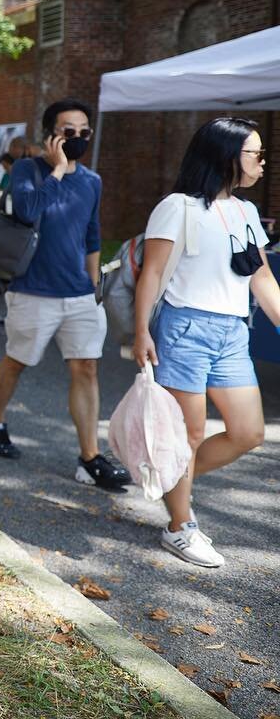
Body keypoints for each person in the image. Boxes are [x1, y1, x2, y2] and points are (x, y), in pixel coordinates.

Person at [133, 118, 275, 567]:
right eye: (255, 153)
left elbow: (262, 277)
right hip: (185, 327)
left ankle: (172, 481)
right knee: (189, 434)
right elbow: (152, 273)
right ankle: (179, 526)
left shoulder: (247, 212)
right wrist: (140, 332)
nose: (263, 161)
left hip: (234, 331)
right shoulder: (178, 207)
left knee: (249, 432)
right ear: (227, 156)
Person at [0, 99, 132, 492]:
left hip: (80, 294)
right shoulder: (26, 171)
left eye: (85, 132)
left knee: (86, 368)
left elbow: (92, 235)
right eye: (69, 131)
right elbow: (28, 210)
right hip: (32, 290)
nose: (78, 138)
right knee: (17, 362)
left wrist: (95, 286)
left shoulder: (93, 182)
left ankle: (90, 456)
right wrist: (60, 170)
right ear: (50, 135)